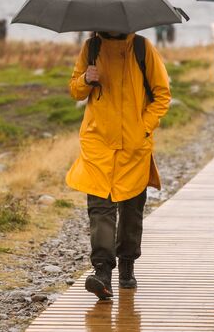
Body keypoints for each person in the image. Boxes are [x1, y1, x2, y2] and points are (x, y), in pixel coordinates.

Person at [66, 31, 171, 300]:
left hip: (134, 147)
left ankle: (127, 264)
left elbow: (162, 95)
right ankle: (102, 272)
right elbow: (75, 91)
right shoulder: (91, 47)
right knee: (100, 207)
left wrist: (143, 128)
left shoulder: (141, 47)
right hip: (97, 142)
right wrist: (85, 79)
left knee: (131, 208)